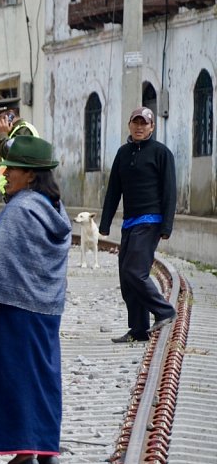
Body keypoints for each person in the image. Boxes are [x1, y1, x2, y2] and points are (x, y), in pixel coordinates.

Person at [0, 136, 69, 464]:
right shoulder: (54, 207)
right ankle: (46, 450)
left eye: (14, 169)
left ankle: (25, 455)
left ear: (31, 175)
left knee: (13, 378)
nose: (6, 173)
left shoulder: (22, 208)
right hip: (46, 305)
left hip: (12, 306)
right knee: (43, 376)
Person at [100, 107, 178, 343]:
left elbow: (170, 191)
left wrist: (167, 225)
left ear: (152, 127)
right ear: (129, 126)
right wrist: (105, 223)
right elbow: (114, 189)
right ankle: (138, 330)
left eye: (144, 123)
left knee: (135, 271)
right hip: (130, 222)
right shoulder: (123, 153)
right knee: (126, 277)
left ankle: (165, 310)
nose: (140, 127)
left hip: (151, 220)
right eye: (136, 123)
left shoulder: (161, 153)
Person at [0, 96, 39, 196]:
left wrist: (2, 134)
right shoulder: (13, 132)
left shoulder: (23, 130)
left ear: (10, 115)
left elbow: (11, 155)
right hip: (15, 190)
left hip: (23, 190)